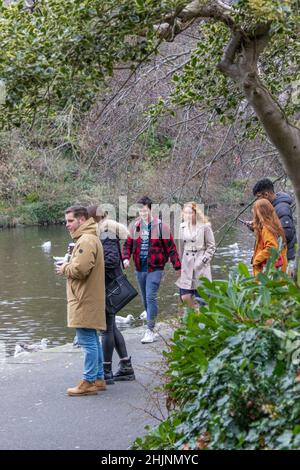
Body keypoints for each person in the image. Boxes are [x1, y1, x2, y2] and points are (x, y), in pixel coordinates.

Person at [56, 205, 106, 396]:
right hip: (87, 297)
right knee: (92, 338)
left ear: (82, 220)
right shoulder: (89, 238)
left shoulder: (86, 240)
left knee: (87, 341)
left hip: (84, 299)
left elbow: (80, 270)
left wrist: (64, 268)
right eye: (66, 221)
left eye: (70, 221)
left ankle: (89, 381)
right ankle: (99, 378)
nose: (67, 225)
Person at [123, 196, 181, 344]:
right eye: (139, 210)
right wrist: (125, 258)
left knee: (150, 297)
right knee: (144, 299)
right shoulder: (135, 227)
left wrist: (178, 267)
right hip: (139, 268)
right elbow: (127, 245)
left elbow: (171, 248)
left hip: (155, 268)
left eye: (144, 210)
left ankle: (150, 330)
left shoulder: (161, 227)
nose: (142, 213)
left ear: (150, 209)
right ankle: (151, 326)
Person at [87, 205, 135, 384]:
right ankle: (126, 367)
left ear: (93, 219)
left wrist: (89, 266)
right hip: (109, 283)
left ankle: (106, 371)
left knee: (106, 328)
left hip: (109, 286)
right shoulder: (103, 230)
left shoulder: (106, 231)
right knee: (111, 327)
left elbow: (112, 260)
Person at [176, 202, 216, 308]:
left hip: (201, 262)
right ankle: (193, 315)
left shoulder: (205, 227)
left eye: (190, 213)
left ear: (195, 213)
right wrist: (179, 265)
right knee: (185, 296)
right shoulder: (182, 227)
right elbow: (180, 247)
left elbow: (211, 247)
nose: (188, 215)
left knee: (203, 295)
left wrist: (203, 261)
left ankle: (205, 318)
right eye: (186, 213)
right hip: (186, 263)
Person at [252, 178, 297, 263]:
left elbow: (287, 234)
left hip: (286, 258)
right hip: (279, 258)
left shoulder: (282, 209)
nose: (258, 200)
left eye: (258, 197)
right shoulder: (272, 207)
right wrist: (256, 227)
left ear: (266, 194)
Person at [252, 198, 287, 276]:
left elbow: (272, 247)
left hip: (269, 273)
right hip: (279, 270)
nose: (253, 213)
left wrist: (257, 259)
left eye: (254, 211)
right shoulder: (275, 225)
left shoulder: (266, 228)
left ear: (260, 212)